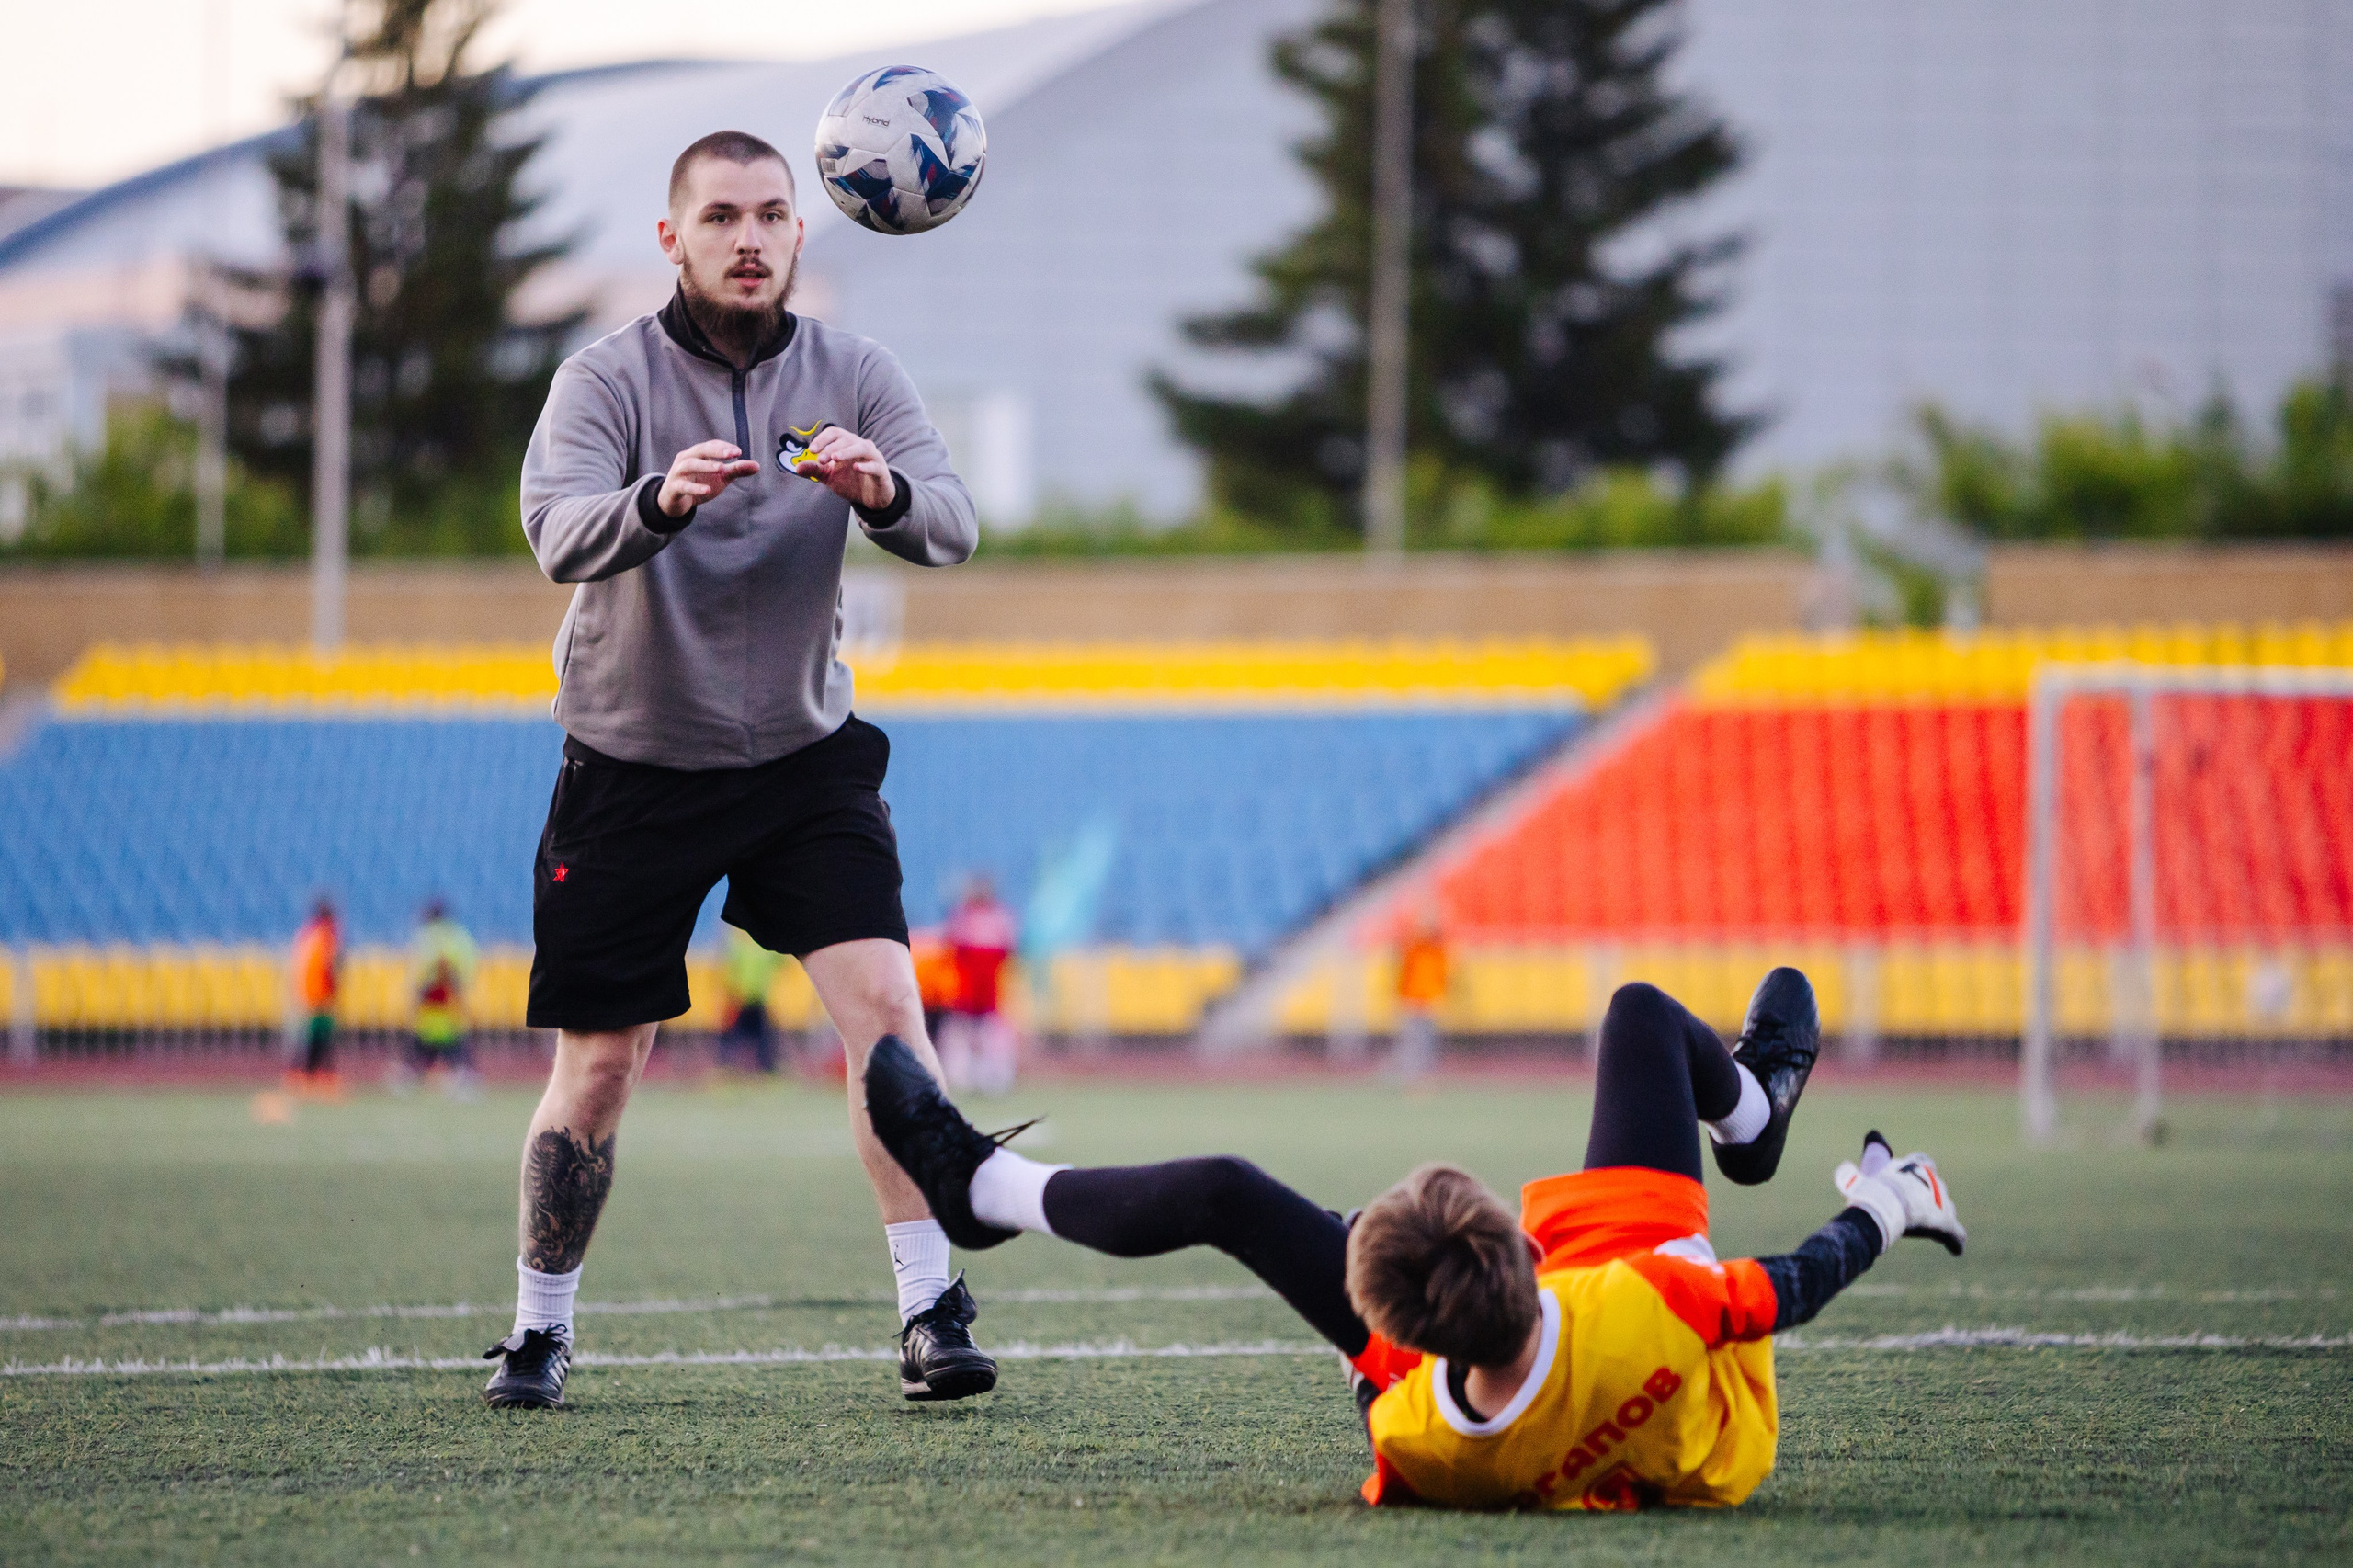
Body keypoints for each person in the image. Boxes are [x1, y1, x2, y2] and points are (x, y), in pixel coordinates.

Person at [481, 130, 990, 1412]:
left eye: (771, 213)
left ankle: (933, 1306)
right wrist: (656, 501)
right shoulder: (603, 380)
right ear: (674, 238)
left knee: (887, 1015)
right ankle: (539, 1327)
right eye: (721, 216)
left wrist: (881, 494)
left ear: (802, 232)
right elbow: (554, 533)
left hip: (804, 761)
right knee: (600, 1066)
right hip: (634, 761)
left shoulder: (856, 371)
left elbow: (953, 525)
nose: (749, 236)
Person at [863, 967, 1968, 1511]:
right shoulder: (1637, 1305)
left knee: (1230, 1194)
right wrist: (1890, 1197)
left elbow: (1388, 1410)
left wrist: (1358, 1311)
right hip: (1677, 1380)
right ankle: (1756, 1117)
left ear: (1396, 1331)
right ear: (1525, 1249)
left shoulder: (1424, 1425)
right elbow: (1795, 1281)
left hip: (1543, 1366)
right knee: (1638, 1011)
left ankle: (982, 1190)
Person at [938, 875, 1018, 1096]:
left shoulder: (1000, 917)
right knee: (960, 1033)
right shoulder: (963, 916)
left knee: (991, 1034)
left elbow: (1007, 954)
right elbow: (952, 951)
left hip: (989, 991)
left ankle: (994, 1078)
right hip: (966, 990)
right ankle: (959, 1076)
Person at [404, 899, 481, 1097]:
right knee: (452, 1037)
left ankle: (412, 1072)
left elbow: (422, 969)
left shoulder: (427, 936)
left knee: (429, 1037)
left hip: (432, 996)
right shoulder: (459, 935)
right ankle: (465, 1074)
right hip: (451, 997)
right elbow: (466, 967)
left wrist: (416, 993)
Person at [287, 900, 342, 1097]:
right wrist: (333, 987)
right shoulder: (326, 934)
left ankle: (304, 1073)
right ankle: (314, 1073)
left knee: (312, 1034)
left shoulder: (308, 933)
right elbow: (328, 965)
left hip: (306, 991)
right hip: (319, 992)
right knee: (320, 1035)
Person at [717, 923, 783, 1074]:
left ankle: (763, 1066)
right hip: (743, 998)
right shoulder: (746, 946)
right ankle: (729, 1065)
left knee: (758, 1035)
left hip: (755, 998)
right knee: (741, 1034)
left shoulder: (741, 945)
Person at [1391, 907, 1449, 1080]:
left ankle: (1422, 1077)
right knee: (1411, 1042)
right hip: (1412, 1001)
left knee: (1426, 1043)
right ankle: (1409, 1076)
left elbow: (1441, 976)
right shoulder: (1414, 947)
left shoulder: (1437, 950)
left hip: (1428, 1002)